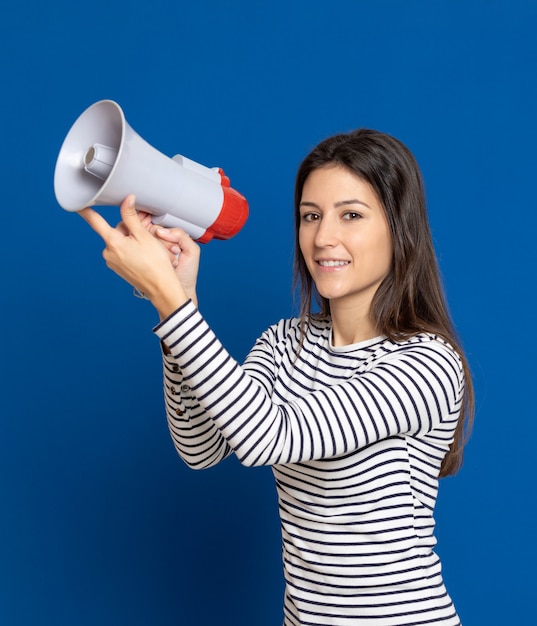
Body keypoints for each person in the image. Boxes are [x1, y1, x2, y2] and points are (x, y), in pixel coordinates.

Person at [80, 129, 474, 626]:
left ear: (400, 229)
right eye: (311, 215)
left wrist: (171, 303)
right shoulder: (285, 342)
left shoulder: (427, 364)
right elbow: (201, 449)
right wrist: (181, 301)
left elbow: (271, 436)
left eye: (350, 215)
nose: (323, 237)